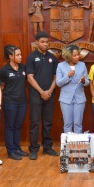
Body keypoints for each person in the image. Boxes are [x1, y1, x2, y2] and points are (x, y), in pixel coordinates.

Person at [26, 31, 58, 160]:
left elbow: (56, 77)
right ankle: (33, 149)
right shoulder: (31, 57)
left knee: (47, 122)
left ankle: (47, 147)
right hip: (35, 94)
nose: (45, 44)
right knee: (34, 122)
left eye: (46, 42)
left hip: (49, 94)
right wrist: (41, 92)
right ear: (37, 43)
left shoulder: (53, 58)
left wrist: (49, 91)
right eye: (42, 42)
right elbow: (29, 77)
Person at [0, 45, 28, 160]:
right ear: (10, 56)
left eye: (21, 54)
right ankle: (10, 151)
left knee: (18, 126)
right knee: (9, 126)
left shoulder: (23, 68)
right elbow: (0, 86)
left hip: (22, 102)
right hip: (9, 102)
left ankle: (17, 148)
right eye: (18, 55)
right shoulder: (4, 70)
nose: (20, 57)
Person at [56, 45, 89, 133]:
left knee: (78, 124)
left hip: (79, 98)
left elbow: (87, 82)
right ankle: (68, 146)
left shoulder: (82, 65)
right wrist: (67, 76)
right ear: (68, 56)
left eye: (78, 54)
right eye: (75, 55)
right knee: (67, 124)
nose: (77, 57)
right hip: (66, 99)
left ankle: (77, 146)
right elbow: (58, 83)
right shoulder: (60, 66)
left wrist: (83, 81)